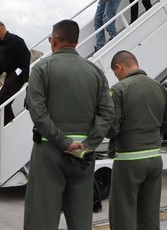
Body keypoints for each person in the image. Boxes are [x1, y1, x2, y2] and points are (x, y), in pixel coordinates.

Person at [23, 20, 115, 230]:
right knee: (81, 215)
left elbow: (38, 112)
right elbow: (107, 112)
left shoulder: (41, 69)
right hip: (84, 155)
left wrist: (63, 142)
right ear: (76, 41)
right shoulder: (95, 71)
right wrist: (89, 144)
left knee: (41, 216)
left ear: (54, 41)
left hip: (49, 150)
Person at [107, 50, 167, 230]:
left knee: (123, 214)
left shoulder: (119, 90)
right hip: (154, 159)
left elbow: (112, 129)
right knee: (149, 216)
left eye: (116, 73)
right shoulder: (159, 87)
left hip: (129, 160)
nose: (117, 78)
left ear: (119, 67)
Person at [0, 21, 31, 126]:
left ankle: (10, 126)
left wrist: (18, 73)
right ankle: (10, 125)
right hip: (10, 75)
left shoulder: (16, 41)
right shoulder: (1, 46)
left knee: (2, 99)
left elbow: (26, 57)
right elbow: (1, 67)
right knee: (3, 100)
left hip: (17, 75)